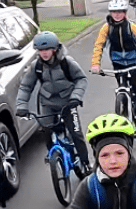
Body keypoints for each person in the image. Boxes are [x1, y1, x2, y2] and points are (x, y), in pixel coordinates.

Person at [16, 32, 90, 172]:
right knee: (46, 129)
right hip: (47, 103)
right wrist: (21, 106)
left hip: (68, 103)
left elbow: (81, 79)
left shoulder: (67, 62)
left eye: (47, 50)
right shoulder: (36, 66)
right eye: (41, 50)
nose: (44, 53)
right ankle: (52, 154)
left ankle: (86, 163)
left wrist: (76, 97)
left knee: (76, 134)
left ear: (55, 49)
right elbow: (26, 86)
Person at [91, 0, 136, 117]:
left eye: (120, 11)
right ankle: (123, 105)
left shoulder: (131, 27)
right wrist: (96, 64)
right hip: (117, 62)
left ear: (125, 13)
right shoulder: (106, 28)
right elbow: (99, 45)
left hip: (133, 61)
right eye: (114, 12)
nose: (117, 14)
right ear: (110, 13)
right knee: (121, 86)